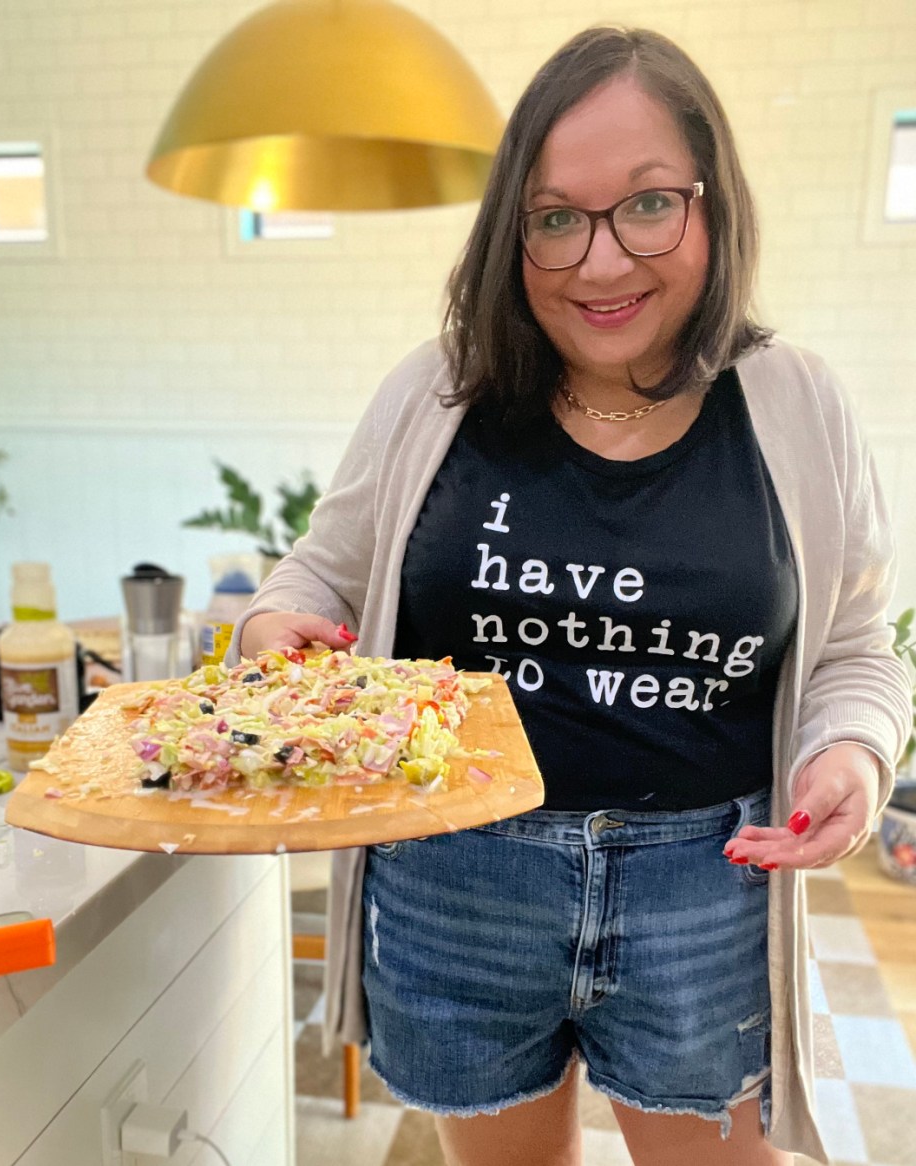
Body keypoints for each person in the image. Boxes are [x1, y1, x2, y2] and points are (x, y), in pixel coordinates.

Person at [234, 25, 911, 1166]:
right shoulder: (438, 389)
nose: (599, 263)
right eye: (554, 218)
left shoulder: (796, 404)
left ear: (713, 203)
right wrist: (269, 625)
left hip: (705, 884)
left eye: (648, 204)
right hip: (459, 873)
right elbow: (317, 570)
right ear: (513, 232)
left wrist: (852, 750)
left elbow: (854, 641)